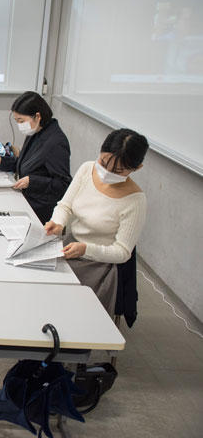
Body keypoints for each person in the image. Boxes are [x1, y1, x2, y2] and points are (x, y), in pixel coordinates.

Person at [44, 129, 148, 315]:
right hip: (70, 246)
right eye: (103, 163)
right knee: (41, 289)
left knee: (72, 311)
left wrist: (86, 249)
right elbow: (65, 206)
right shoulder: (87, 169)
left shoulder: (135, 201)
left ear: (137, 168)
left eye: (117, 171)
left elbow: (122, 252)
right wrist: (58, 222)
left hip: (99, 264)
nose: (106, 173)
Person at [0, 91, 72, 223]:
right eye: (16, 121)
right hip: (26, 199)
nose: (19, 125)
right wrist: (1, 161)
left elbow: (63, 185)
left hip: (40, 210)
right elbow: (26, 164)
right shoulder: (36, 132)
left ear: (37, 116)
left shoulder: (56, 142)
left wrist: (32, 181)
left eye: (21, 121)